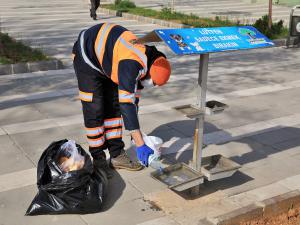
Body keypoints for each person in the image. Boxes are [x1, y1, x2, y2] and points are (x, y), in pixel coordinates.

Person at [72, 23, 171, 178]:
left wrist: (135, 135)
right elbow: (127, 104)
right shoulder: (132, 64)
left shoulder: (151, 58)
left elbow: (132, 103)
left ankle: (117, 155)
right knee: (95, 108)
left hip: (109, 58)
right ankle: (98, 160)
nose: (152, 85)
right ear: (149, 74)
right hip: (87, 55)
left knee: (114, 106)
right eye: (154, 83)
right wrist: (140, 145)